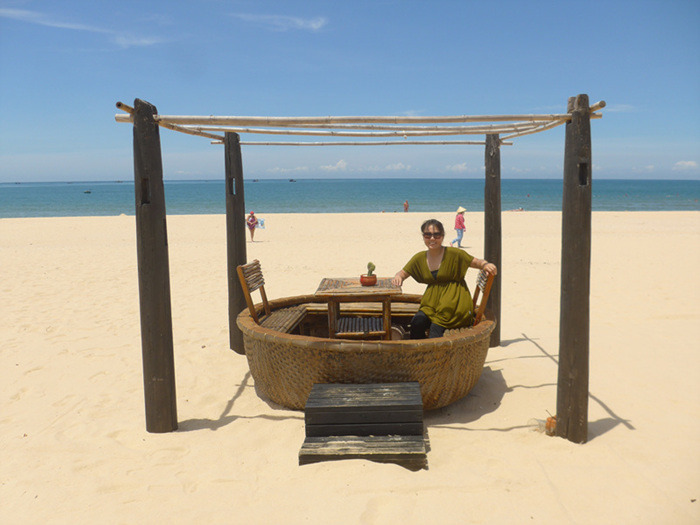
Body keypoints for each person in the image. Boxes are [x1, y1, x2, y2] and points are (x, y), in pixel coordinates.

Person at [392, 219, 497, 339]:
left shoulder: (455, 254)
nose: (432, 238)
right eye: (428, 235)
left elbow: (476, 262)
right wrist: (398, 277)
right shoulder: (420, 257)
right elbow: (403, 272)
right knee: (417, 323)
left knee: (435, 329)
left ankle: (436, 351)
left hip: (454, 303)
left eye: (436, 235)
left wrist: (485, 265)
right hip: (431, 303)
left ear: (442, 236)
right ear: (423, 236)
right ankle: (420, 350)